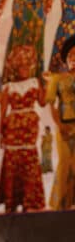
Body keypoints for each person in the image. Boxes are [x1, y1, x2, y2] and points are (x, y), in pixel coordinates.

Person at [0, 44, 47, 211]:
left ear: (31, 66)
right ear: (16, 68)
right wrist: (0, 134)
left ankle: (29, 202)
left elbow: (42, 102)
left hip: (29, 129)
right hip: (12, 130)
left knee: (29, 159)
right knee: (13, 160)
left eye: (27, 66)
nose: (24, 69)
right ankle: (12, 202)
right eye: (21, 66)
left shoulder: (35, 82)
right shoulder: (8, 87)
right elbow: (3, 112)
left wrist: (46, 84)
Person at [45, 35, 75, 209]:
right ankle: (60, 204)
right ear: (65, 59)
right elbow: (51, 105)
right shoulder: (57, 79)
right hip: (64, 127)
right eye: (71, 56)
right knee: (65, 164)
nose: (74, 59)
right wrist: (60, 125)